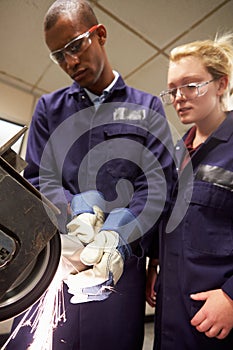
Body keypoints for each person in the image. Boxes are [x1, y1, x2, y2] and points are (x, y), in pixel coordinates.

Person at [7, 1, 175, 349]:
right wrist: (74, 209)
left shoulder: (147, 109)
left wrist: (118, 235)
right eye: (58, 55)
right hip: (57, 260)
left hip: (119, 267)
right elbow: (40, 178)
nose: (69, 62)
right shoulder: (48, 110)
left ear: (100, 34)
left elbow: (155, 186)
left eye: (75, 46)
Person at [147, 32, 233, 350]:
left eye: (191, 85)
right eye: (172, 90)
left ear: (222, 84)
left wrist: (231, 297)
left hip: (217, 322)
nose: (179, 97)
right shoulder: (175, 153)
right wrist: (154, 266)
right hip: (171, 318)